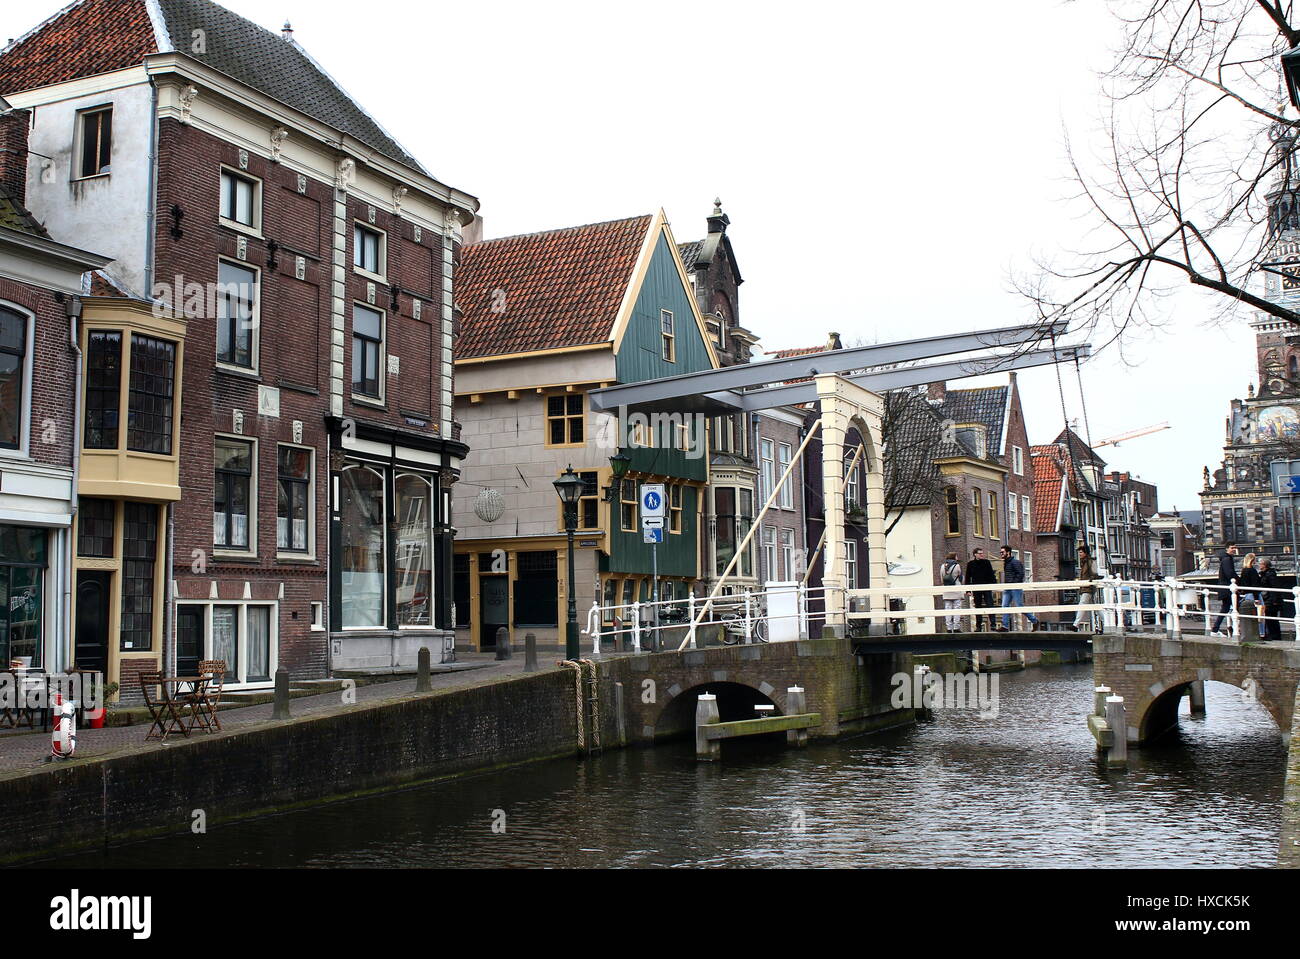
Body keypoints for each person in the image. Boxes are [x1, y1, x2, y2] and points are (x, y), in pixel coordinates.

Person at [997, 545, 1040, 632]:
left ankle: (1034, 620)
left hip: (1015, 587)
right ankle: (1005, 626)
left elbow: (1020, 574)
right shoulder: (1006, 562)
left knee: (1019, 606)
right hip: (1008, 587)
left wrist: (1014, 583)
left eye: (1002, 552)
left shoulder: (1015, 562)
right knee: (1004, 606)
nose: (1001, 554)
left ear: (1008, 552)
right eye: (1001, 552)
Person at [1209, 544, 1239, 637]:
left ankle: (1216, 629)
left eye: (1235, 548)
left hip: (1225, 587)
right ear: (1227, 548)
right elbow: (1229, 573)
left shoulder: (1226, 559)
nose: (1234, 549)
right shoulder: (1227, 559)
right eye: (1232, 548)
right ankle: (1235, 629)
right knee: (1237, 606)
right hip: (1227, 588)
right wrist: (1238, 581)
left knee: (1226, 608)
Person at [965, 547, 997, 632]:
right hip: (976, 587)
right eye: (980, 553)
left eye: (982, 553)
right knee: (978, 606)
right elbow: (968, 577)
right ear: (975, 554)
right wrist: (968, 590)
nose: (982, 554)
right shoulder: (970, 564)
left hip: (986, 587)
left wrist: (994, 585)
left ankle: (993, 624)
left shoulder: (987, 562)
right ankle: (978, 626)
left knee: (990, 604)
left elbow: (991, 574)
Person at [1070, 545, 1098, 632]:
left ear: (1085, 553)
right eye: (1079, 552)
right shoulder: (1084, 562)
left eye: (1081, 552)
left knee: (1082, 604)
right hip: (1086, 587)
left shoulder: (1090, 562)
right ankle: (1107, 622)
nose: (1079, 554)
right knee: (1096, 607)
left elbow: (1094, 573)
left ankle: (1075, 625)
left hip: (1088, 588)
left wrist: (1090, 581)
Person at [1258, 558, 1283, 642]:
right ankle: (1272, 635)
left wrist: (1274, 601)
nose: (1259, 565)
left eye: (1260, 564)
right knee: (1269, 618)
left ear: (1264, 565)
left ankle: (1275, 636)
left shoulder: (1270, 575)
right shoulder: (1265, 574)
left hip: (1271, 600)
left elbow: (1274, 587)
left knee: (1272, 619)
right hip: (1268, 599)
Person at [939, 552, 964, 633]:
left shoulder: (943, 566)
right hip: (956, 588)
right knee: (957, 608)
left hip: (947, 589)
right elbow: (960, 577)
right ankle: (956, 627)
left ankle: (949, 628)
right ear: (954, 557)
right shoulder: (957, 565)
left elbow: (942, 579)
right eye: (956, 556)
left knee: (948, 608)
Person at [1239, 553, 1262, 639]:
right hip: (1253, 594)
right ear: (1252, 560)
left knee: (1248, 616)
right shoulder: (1252, 571)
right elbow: (1254, 584)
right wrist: (1256, 598)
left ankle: (1248, 633)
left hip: (1246, 594)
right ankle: (1260, 633)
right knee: (1258, 614)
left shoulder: (1244, 570)